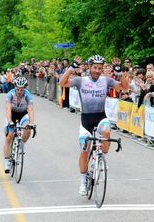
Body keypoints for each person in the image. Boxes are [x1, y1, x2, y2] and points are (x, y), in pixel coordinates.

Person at [60, 55, 129, 196]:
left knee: (107, 132)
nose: (97, 71)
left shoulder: (106, 80)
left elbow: (125, 87)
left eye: (100, 68)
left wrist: (120, 73)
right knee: (85, 151)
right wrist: (71, 68)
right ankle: (83, 182)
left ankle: (102, 157)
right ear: (90, 67)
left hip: (100, 116)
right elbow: (62, 83)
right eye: (95, 68)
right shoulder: (81, 81)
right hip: (86, 120)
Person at [3, 76, 35, 173]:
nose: (20, 91)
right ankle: (6, 161)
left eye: (22, 89)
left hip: (23, 114)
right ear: (15, 87)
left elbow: (30, 110)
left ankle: (21, 144)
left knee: (28, 129)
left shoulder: (28, 95)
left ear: (25, 88)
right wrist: (10, 122)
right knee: (9, 137)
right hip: (12, 114)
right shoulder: (10, 94)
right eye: (18, 89)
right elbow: (8, 109)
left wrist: (32, 123)